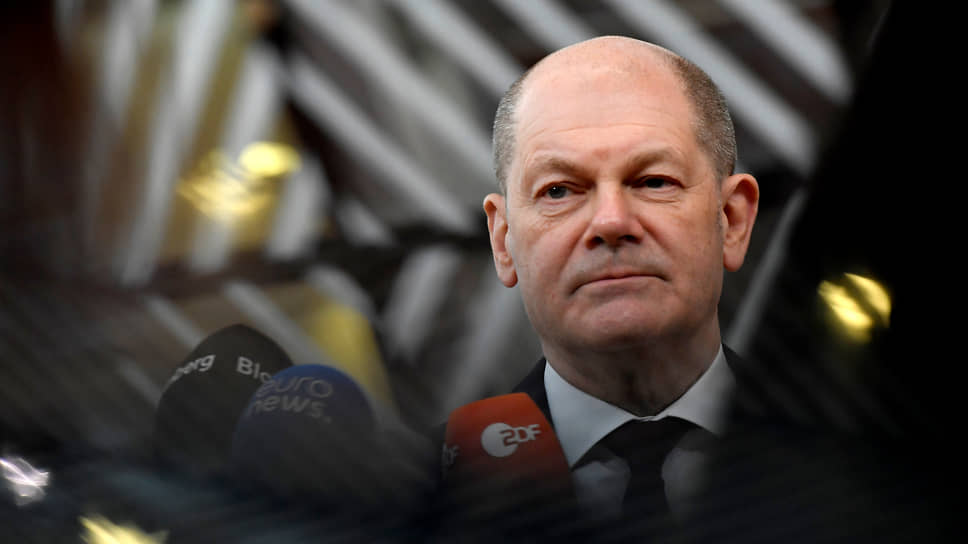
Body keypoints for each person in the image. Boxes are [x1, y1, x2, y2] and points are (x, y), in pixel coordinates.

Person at [479, 35, 758, 539]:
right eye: (558, 190)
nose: (610, 221)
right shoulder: (416, 504)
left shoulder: (877, 464)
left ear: (732, 220)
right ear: (504, 241)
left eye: (653, 182)